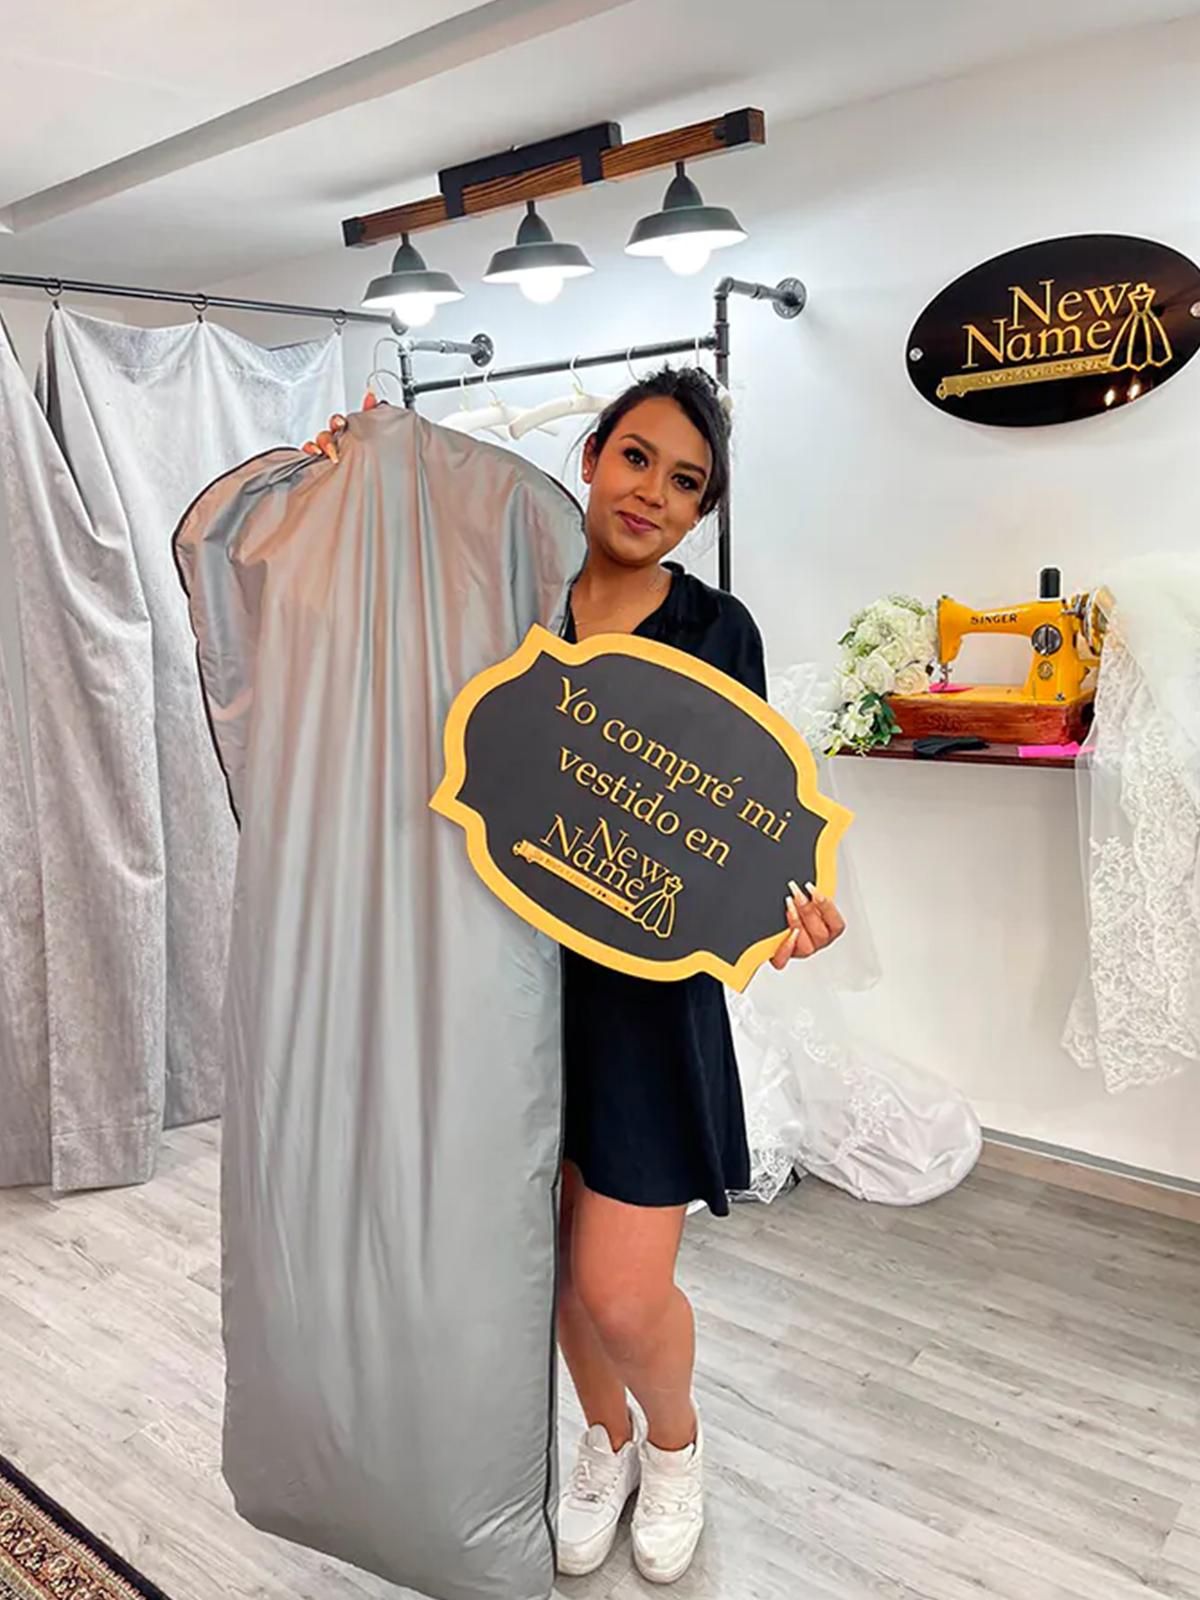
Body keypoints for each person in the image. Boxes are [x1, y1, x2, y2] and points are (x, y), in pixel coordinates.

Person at [305, 368, 844, 1585]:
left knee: (620, 1288)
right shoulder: (511, 593)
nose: (653, 493)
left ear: (702, 510)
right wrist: (346, 474)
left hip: (645, 1005)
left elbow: (736, 822)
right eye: (638, 458)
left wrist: (785, 918)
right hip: (504, 984)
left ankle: (677, 1442)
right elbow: (382, 611)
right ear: (594, 455)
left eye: (686, 482)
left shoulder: (718, 631)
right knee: (552, 1260)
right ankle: (601, 1440)